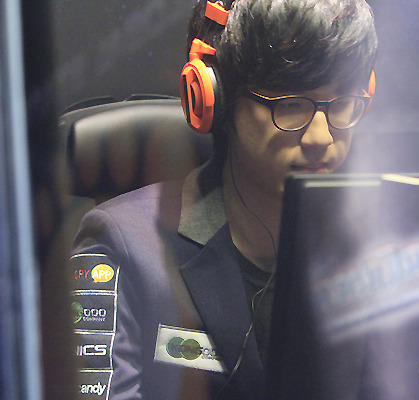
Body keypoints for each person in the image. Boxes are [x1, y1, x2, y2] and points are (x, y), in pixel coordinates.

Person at [70, 0, 377, 399]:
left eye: (344, 103)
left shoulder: (379, 244)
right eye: (290, 106)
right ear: (216, 100)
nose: (321, 137)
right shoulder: (122, 246)